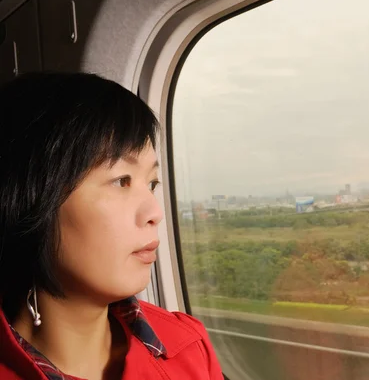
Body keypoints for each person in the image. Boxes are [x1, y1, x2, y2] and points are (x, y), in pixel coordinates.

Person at [0, 72, 224, 380]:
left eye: (152, 183)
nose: (155, 213)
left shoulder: (187, 345)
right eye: (122, 181)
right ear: (32, 198)